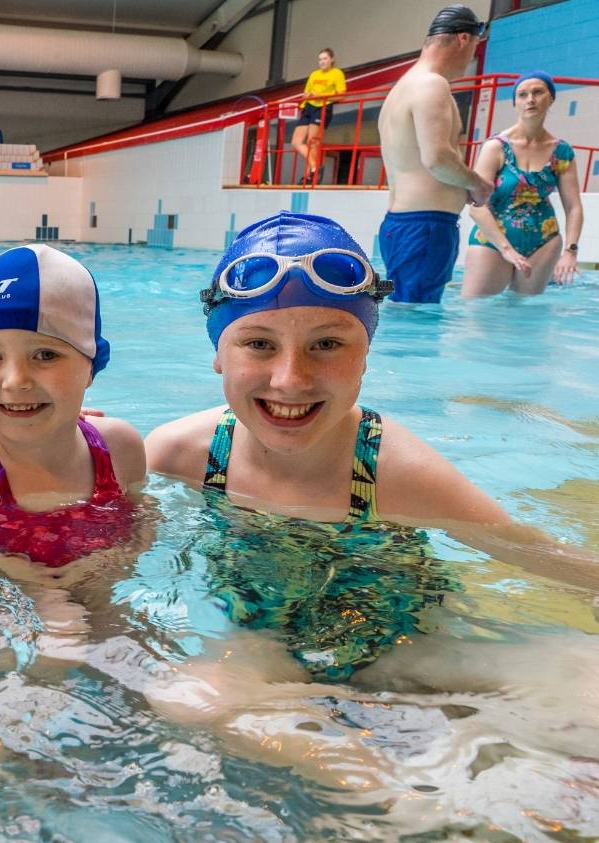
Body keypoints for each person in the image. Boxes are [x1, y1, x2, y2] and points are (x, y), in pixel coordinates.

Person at [145, 211, 599, 593]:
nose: (290, 380)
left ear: (365, 356)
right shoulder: (176, 455)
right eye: (259, 345)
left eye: (326, 345)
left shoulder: (396, 473)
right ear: (218, 356)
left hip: (389, 625)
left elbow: (539, 555)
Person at [0, 244, 146, 566]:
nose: (15, 381)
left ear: (91, 366)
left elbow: (141, 530)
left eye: (46, 355)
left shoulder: (120, 448)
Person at [377, 5, 493, 303]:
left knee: (406, 306)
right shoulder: (432, 85)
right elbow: (438, 159)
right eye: (474, 50)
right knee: (417, 320)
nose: (470, 60)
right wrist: (477, 184)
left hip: (405, 226)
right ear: (464, 39)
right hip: (424, 228)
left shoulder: (403, 87)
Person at [462, 71, 584, 297]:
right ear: (515, 103)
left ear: (551, 98)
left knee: (523, 317)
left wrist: (571, 250)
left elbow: (574, 207)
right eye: (523, 94)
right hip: (493, 239)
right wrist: (506, 249)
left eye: (538, 92)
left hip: (544, 241)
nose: (531, 99)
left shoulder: (562, 152)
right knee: (475, 314)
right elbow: (478, 207)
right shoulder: (496, 147)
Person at [291, 48, 345, 184]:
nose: (322, 62)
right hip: (308, 107)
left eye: (325, 59)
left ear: (332, 59)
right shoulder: (314, 74)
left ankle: (311, 174)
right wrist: (306, 99)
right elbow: (306, 93)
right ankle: (315, 168)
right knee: (296, 142)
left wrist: (319, 96)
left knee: (312, 142)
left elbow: (341, 95)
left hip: (323, 106)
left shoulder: (337, 73)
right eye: (320, 59)